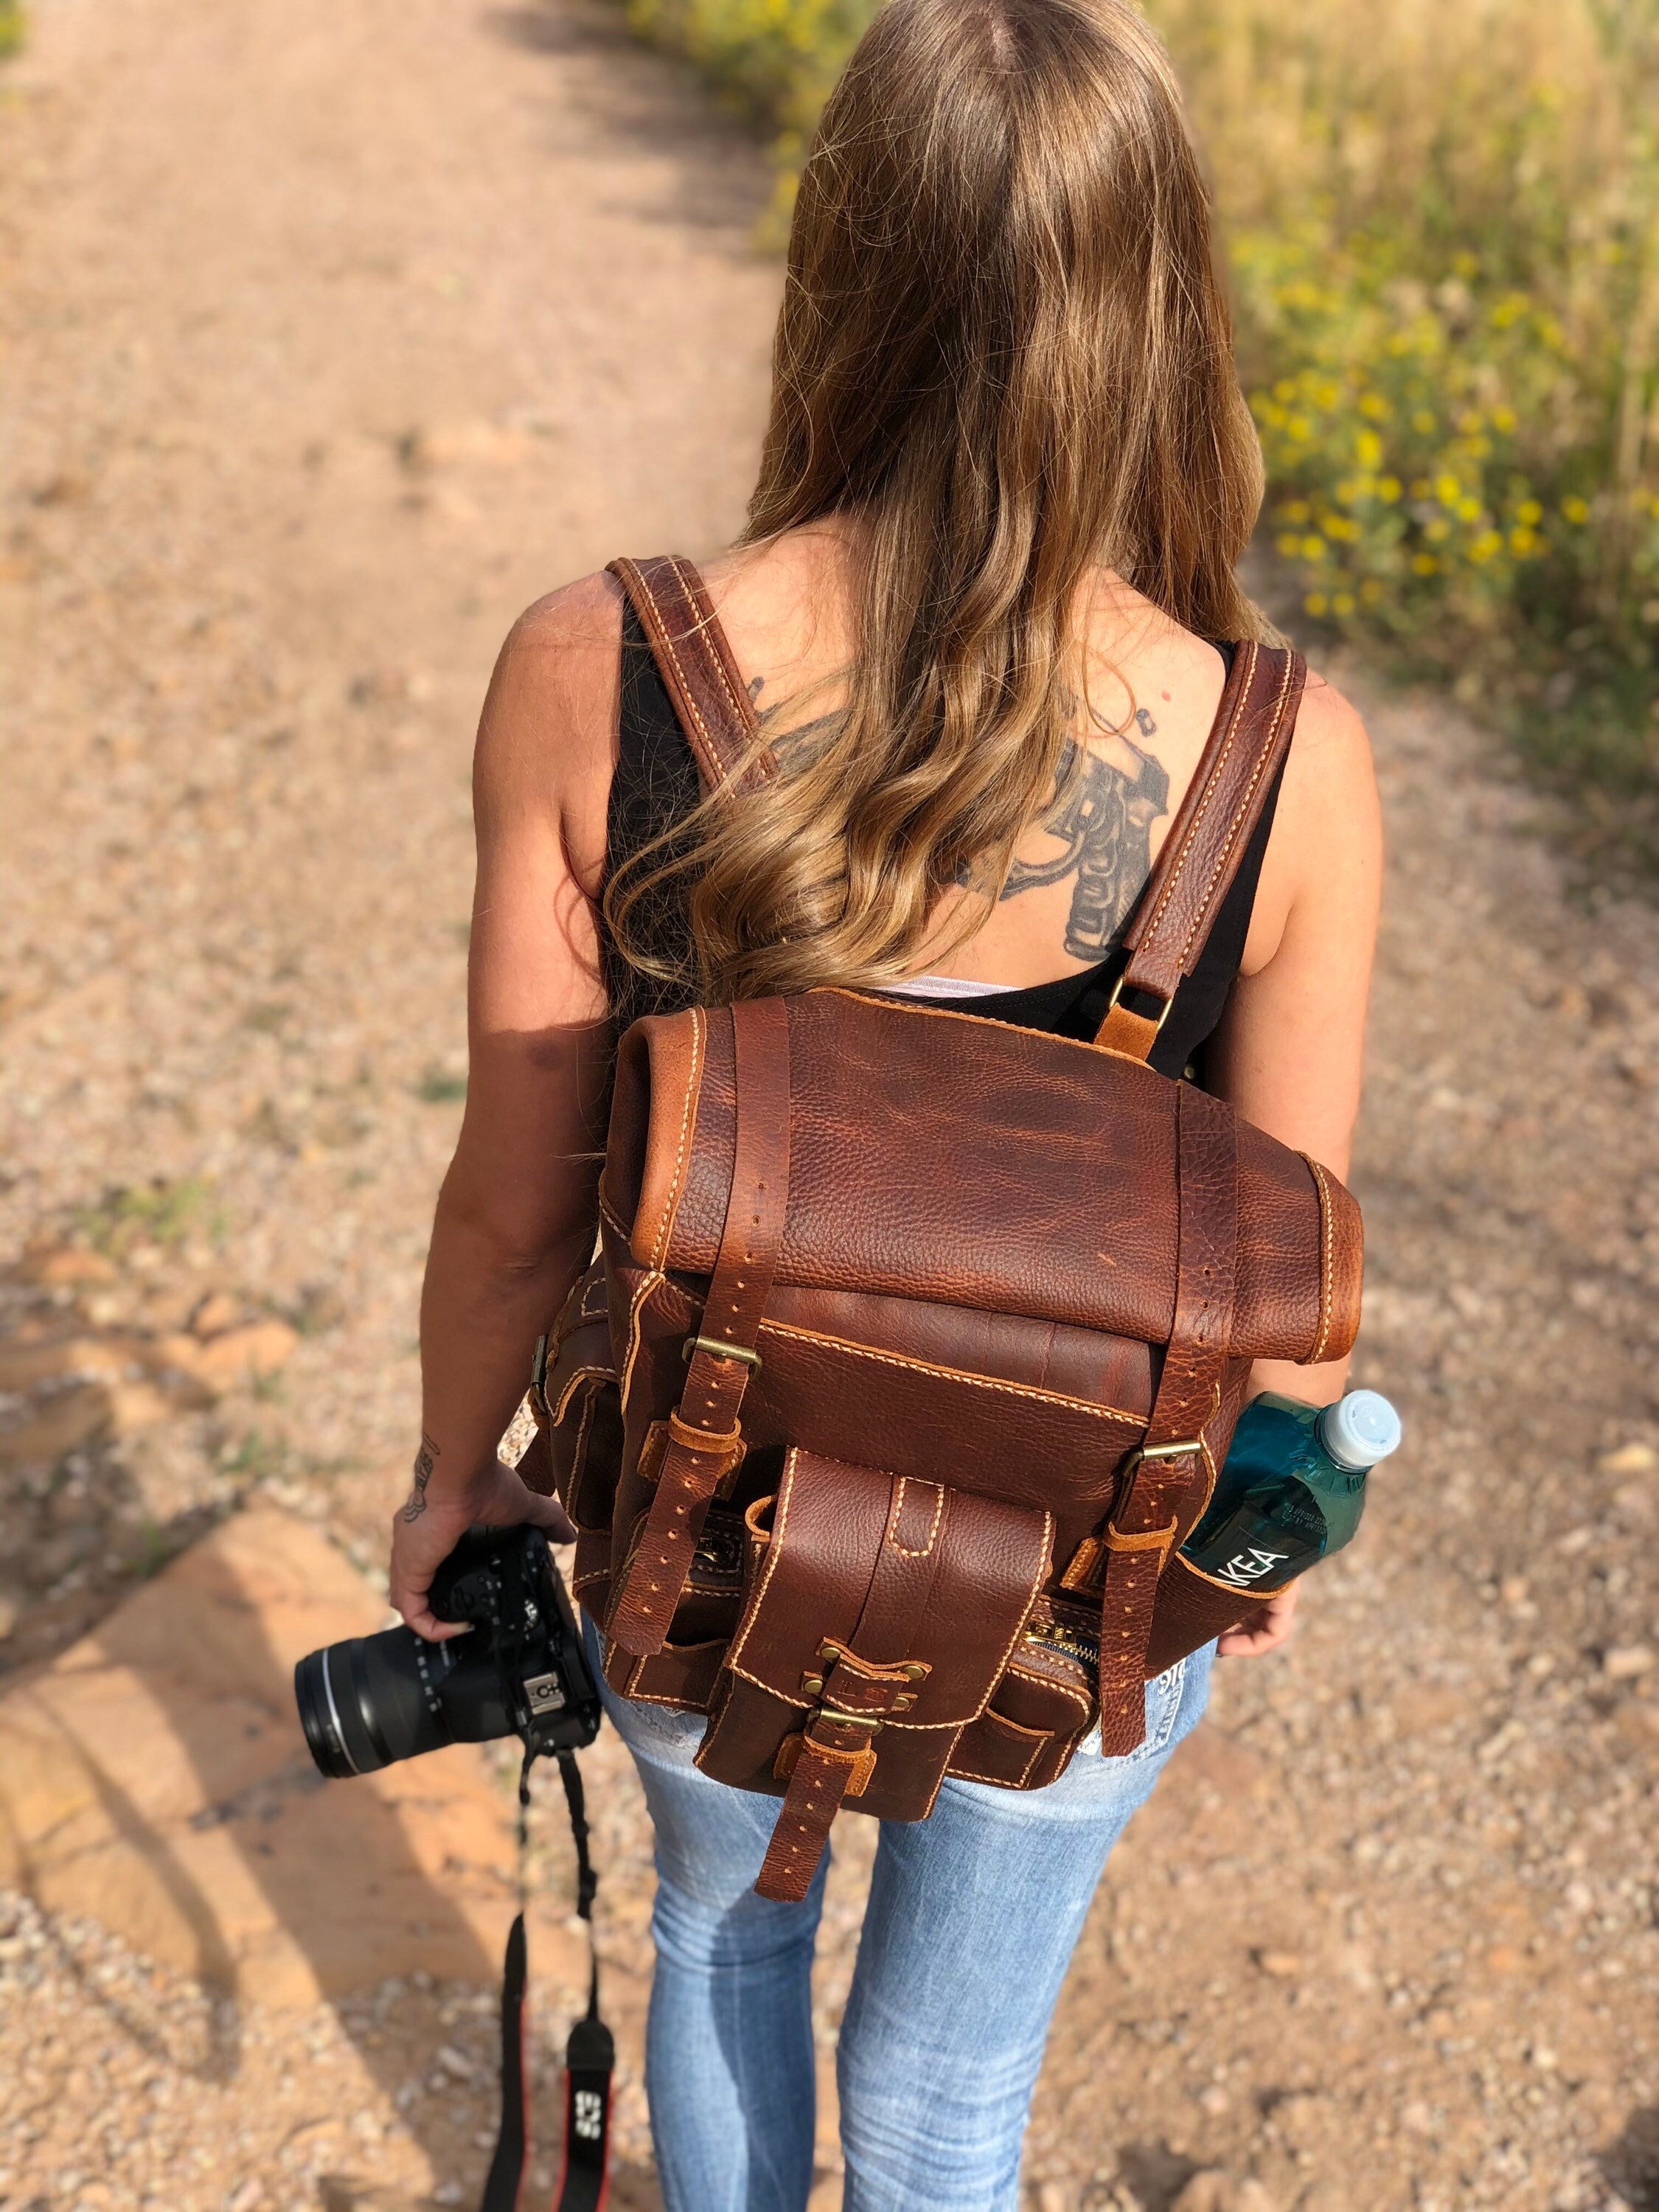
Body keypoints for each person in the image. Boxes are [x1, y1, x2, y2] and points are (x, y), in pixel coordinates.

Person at [386, 0, 1381, 2205]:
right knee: (945, 2100)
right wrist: (1275, 1510)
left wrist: (458, 1480)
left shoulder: (602, 666)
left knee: (714, 1940)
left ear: (837, 259)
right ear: (1159, 308)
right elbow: (1298, 1296)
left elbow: (512, 1204)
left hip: (703, 1544)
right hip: (1079, 1588)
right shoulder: (1281, 759)